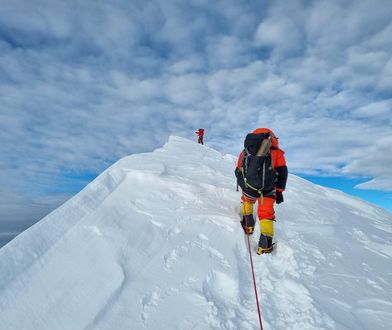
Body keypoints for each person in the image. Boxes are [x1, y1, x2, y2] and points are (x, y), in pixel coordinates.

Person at [235, 128, 288, 254]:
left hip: (249, 187)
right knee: (266, 214)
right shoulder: (276, 152)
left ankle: (248, 226)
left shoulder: (246, 151)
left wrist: (244, 185)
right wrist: (279, 191)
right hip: (267, 190)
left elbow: (238, 169)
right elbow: (282, 173)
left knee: (247, 201)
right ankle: (265, 246)